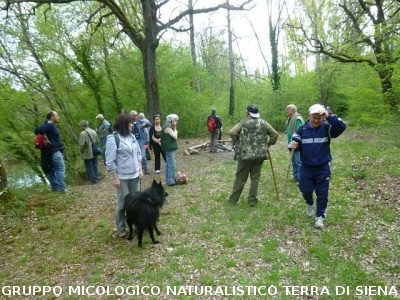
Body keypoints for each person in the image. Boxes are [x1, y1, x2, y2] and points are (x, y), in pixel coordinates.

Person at [289, 104, 346, 228]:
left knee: (322, 193)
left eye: (319, 118)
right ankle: (310, 203)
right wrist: (293, 146)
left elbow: (341, 126)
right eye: (314, 117)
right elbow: (295, 143)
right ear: (309, 116)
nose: (316, 120)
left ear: (322, 117)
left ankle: (320, 216)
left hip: (323, 167)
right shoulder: (302, 129)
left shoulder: (327, 128)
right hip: (306, 167)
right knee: (305, 190)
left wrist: (328, 116)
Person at [228, 105, 278, 206]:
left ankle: (233, 200)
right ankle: (252, 200)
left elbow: (232, 132)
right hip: (260, 155)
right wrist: (268, 145)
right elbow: (275, 134)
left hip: (245, 155)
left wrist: (237, 142)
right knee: (255, 178)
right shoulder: (264, 123)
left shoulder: (243, 123)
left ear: (248, 113)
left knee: (240, 178)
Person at [105, 112, 143, 238]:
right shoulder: (113, 138)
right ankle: (121, 228)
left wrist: (140, 169)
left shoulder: (131, 137)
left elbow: (138, 154)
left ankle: (136, 225)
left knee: (136, 202)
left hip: (134, 175)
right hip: (121, 176)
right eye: (130, 123)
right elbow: (109, 161)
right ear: (123, 124)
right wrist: (115, 177)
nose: (132, 125)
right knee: (122, 204)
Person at [34, 111, 67, 192]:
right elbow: (40, 130)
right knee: (60, 169)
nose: (58, 117)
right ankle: (62, 188)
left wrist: (45, 137)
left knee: (50, 170)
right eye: (57, 116)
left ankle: (55, 187)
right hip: (54, 151)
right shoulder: (50, 125)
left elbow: (37, 130)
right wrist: (45, 138)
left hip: (47, 152)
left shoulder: (46, 125)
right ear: (52, 117)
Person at [285, 104, 304, 182]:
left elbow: (299, 131)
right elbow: (291, 128)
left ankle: (300, 177)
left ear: (292, 110)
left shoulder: (297, 118)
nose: (286, 110)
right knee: (293, 161)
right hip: (291, 143)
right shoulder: (291, 118)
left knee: (298, 161)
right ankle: (296, 176)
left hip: (296, 144)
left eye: (287, 109)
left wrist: (296, 143)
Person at [130, 110, 152, 175]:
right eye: (134, 115)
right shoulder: (128, 123)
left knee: (143, 156)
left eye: (136, 115)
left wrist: (145, 124)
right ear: (131, 116)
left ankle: (145, 169)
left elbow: (149, 124)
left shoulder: (139, 122)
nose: (135, 117)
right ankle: (137, 170)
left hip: (141, 141)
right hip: (132, 142)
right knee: (134, 157)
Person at [78, 120, 100, 184]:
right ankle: (96, 177)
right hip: (95, 151)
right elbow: (97, 141)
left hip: (87, 152)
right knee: (95, 165)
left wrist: (82, 151)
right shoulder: (94, 131)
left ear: (82, 125)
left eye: (80, 126)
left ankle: (93, 180)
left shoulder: (83, 133)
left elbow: (82, 144)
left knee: (89, 166)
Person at [161, 114, 179, 186]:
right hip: (169, 148)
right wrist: (175, 128)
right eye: (175, 121)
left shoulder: (167, 126)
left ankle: (170, 179)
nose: (176, 122)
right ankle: (170, 181)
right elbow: (175, 136)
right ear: (172, 121)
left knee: (170, 164)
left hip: (169, 148)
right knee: (171, 164)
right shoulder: (167, 127)